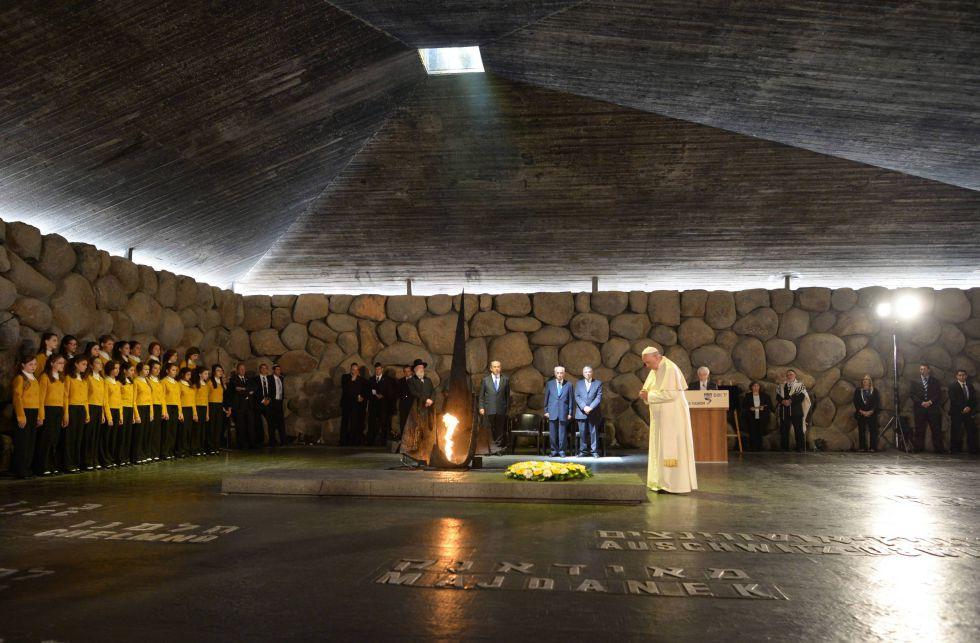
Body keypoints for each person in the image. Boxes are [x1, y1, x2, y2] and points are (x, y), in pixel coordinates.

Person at [639, 347, 697, 494]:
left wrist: (649, 396)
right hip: (661, 417)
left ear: (657, 357)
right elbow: (651, 389)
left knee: (672, 448)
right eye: (645, 363)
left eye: (648, 362)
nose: (647, 366)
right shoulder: (656, 368)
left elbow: (671, 394)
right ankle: (661, 482)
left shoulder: (669, 369)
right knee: (660, 447)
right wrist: (646, 394)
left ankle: (674, 484)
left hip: (672, 416)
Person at [399, 359, 436, 465]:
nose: (421, 369)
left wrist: (431, 400)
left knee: (428, 430)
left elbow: (433, 391)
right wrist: (426, 400)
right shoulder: (411, 381)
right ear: (415, 370)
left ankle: (428, 454)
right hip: (418, 408)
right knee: (417, 430)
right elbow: (414, 392)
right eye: (419, 368)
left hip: (428, 408)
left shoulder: (428, 380)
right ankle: (415, 455)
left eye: (422, 367)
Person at [36, 354, 68, 476]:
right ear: (51, 363)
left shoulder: (61, 378)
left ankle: (52, 465)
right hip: (48, 410)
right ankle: (42, 467)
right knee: (46, 439)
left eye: (63, 363)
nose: (62, 365)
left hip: (58, 411)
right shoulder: (45, 377)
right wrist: (41, 416)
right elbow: (41, 398)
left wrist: (65, 414)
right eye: (59, 363)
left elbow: (64, 398)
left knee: (55, 439)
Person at [11, 354, 41, 479]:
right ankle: (20, 470)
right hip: (24, 412)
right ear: (23, 365)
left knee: (30, 442)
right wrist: (21, 416)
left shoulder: (34, 379)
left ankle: (27, 469)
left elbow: (38, 399)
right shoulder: (20, 378)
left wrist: (39, 415)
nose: (33, 367)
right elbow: (17, 398)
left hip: (33, 412)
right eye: (30, 364)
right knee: (22, 443)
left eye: (35, 364)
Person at [62, 356, 90, 473]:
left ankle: (76, 463)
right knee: (70, 437)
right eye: (83, 364)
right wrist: (66, 413)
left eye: (86, 365)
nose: (85, 367)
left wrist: (87, 413)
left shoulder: (84, 380)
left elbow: (86, 399)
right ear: (76, 364)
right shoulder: (68, 378)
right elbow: (65, 396)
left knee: (79, 438)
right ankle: (68, 464)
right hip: (72, 409)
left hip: (81, 409)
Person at [910, 363, 943, 453]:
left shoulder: (935, 381)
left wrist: (930, 402)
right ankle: (918, 448)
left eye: (924, 369)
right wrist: (921, 402)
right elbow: (912, 394)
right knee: (919, 429)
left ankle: (939, 449)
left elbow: (938, 394)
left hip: (933, 409)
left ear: (928, 370)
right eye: (921, 369)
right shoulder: (914, 381)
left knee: (936, 429)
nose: (922, 371)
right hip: (920, 409)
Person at [478, 360, 510, 453]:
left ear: (501, 368)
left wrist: (506, 408)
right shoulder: (485, 380)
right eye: (495, 367)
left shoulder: (505, 380)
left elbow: (507, 396)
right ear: (491, 368)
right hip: (488, 409)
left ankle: (498, 449)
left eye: (498, 367)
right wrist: (481, 407)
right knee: (488, 429)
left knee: (499, 429)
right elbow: (481, 396)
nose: (497, 369)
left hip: (501, 409)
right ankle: (488, 449)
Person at [543, 365, 574, 457]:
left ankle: (562, 451)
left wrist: (570, 412)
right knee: (552, 433)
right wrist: (546, 411)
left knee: (562, 433)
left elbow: (571, 400)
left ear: (564, 374)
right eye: (558, 373)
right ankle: (553, 450)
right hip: (552, 412)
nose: (559, 374)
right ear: (555, 373)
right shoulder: (549, 384)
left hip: (564, 412)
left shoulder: (569, 384)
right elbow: (546, 398)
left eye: (561, 373)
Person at [776, 369, 810, 452]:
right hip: (784, 411)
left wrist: (790, 401)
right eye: (787, 375)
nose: (789, 376)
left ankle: (800, 448)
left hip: (796, 411)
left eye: (791, 374)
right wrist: (783, 401)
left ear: (795, 376)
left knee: (798, 430)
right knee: (784, 430)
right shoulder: (781, 386)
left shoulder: (800, 385)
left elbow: (802, 396)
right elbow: (778, 396)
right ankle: (784, 448)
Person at [573, 365, 603, 458]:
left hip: (593, 412)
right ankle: (583, 451)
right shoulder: (579, 383)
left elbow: (598, 397)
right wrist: (584, 407)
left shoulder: (598, 383)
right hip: (581, 412)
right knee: (582, 433)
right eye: (586, 372)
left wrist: (590, 407)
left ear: (592, 373)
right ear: (583, 373)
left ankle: (594, 451)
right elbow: (577, 396)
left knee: (593, 432)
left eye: (589, 372)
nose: (588, 373)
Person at [84, 357, 107, 470]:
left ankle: (94, 459)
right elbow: (85, 396)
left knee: (97, 435)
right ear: (91, 365)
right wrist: (87, 412)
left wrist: (102, 413)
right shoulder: (88, 378)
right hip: (90, 408)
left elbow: (102, 398)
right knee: (89, 435)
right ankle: (87, 460)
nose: (100, 365)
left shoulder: (102, 380)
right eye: (97, 363)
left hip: (98, 409)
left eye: (101, 363)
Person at [948, 369, 978, 455]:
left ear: (966, 376)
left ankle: (973, 449)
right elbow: (953, 399)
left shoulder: (970, 386)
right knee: (955, 431)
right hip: (957, 412)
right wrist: (963, 407)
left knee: (971, 431)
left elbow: (973, 399)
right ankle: (954, 449)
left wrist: (969, 407)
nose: (962, 377)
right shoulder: (952, 386)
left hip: (969, 412)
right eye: (960, 375)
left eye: (963, 375)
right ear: (957, 376)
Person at [227, 363, 256, 449]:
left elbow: (254, 388)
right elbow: (236, 390)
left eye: (244, 369)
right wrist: (248, 390)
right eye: (241, 369)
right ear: (237, 370)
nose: (243, 370)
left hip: (249, 405)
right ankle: (241, 444)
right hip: (239, 406)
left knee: (250, 425)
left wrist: (243, 389)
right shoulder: (233, 379)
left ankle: (251, 443)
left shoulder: (248, 379)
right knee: (240, 426)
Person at [366, 363, 394, 447]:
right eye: (376, 369)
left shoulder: (387, 380)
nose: (377, 371)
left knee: (384, 424)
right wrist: (374, 395)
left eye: (379, 369)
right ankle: (371, 441)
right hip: (373, 405)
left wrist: (383, 395)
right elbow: (368, 391)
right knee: (372, 424)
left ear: (382, 369)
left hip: (383, 406)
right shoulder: (371, 379)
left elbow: (390, 392)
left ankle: (383, 442)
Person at [101, 360, 123, 468]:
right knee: (107, 437)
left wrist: (121, 416)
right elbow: (105, 401)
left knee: (114, 437)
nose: (117, 370)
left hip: (117, 411)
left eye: (118, 368)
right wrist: (109, 417)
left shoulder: (118, 383)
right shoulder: (106, 382)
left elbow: (120, 401)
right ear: (110, 369)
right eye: (115, 368)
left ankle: (112, 458)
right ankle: (105, 460)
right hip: (109, 411)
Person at [118, 362, 141, 466]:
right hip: (122, 409)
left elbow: (133, 400)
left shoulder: (131, 383)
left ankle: (126, 458)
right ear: (124, 370)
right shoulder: (119, 382)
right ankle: (120, 458)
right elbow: (119, 399)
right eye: (131, 370)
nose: (133, 372)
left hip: (130, 409)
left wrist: (133, 415)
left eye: (133, 370)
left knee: (128, 435)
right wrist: (121, 414)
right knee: (122, 435)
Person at [340, 363, 367, 446]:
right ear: (350, 369)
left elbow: (365, 390)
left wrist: (362, 397)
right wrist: (352, 380)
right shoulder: (345, 377)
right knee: (345, 422)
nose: (354, 371)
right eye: (353, 369)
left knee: (354, 423)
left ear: (358, 370)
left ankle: (353, 441)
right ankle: (343, 441)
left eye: (356, 370)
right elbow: (345, 388)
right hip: (346, 404)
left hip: (356, 405)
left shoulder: (361, 379)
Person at [853, 375, 881, 452]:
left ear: (870, 381)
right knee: (861, 431)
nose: (865, 380)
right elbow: (855, 402)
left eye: (867, 379)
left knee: (873, 431)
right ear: (862, 381)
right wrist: (861, 411)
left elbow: (876, 402)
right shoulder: (858, 391)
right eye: (864, 379)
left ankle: (873, 447)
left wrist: (871, 411)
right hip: (861, 413)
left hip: (872, 413)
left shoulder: (874, 391)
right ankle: (862, 447)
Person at [741, 381, 772, 451]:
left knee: (760, 431)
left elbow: (769, 405)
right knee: (752, 431)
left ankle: (760, 447)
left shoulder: (765, 395)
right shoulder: (748, 395)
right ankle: (752, 447)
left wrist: (763, 408)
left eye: (757, 386)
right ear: (751, 387)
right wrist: (750, 408)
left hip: (762, 416)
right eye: (754, 386)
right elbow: (744, 406)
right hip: (751, 416)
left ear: (760, 387)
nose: (756, 387)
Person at [161, 363, 182, 459]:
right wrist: (165, 411)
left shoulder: (177, 383)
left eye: (176, 370)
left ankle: (170, 452)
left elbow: (178, 399)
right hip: (168, 407)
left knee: (173, 431)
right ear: (167, 371)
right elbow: (162, 398)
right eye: (173, 370)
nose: (175, 372)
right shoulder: (163, 382)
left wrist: (180, 412)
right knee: (167, 431)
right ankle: (164, 453)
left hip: (175, 408)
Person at [134, 362, 154, 463]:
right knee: (139, 433)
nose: (147, 371)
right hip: (140, 408)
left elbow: (150, 398)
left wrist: (151, 412)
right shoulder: (136, 381)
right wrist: (136, 414)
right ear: (140, 370)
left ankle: (145, 454)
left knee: (146, 432)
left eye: (148, 369)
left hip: (147, 408)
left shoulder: (147, 381)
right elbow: (134, 400)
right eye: (145, 369)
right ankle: (137, 456)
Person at [177, 367, 198, 457]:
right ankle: (180, 451)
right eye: (188, 374)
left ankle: (187, 450)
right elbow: (178, 399)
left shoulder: (190, 385)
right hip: (183, 409)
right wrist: (180, 412)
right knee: (183, 431)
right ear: (182, 374)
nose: (189, 376)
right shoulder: (179, 384)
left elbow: (193, 400)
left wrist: (195, 413)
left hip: (190, 409)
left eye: (190, 375)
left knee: (189, 431)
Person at [253, 363, 274, 446]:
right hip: (259, 403)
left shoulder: (270, 379)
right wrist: (262, 400)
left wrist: (269, 399)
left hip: (268, 403)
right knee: (258, 423)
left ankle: (272, 441)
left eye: (265, 368)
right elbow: (255, 392)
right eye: (262, 368)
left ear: (267, 370)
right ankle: (260, 441)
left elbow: (272, 391)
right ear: (260, 369)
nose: (264, 369)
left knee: (271, 422)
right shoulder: (255, 379)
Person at [147, 361, 165, 460]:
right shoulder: (147, 380)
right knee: (150, 430)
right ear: (150, 369)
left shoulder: (159, 382)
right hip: (151, 406)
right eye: (155, 368)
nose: (157, 370)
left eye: (159, 369)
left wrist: (164, 411)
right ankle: (148, 453)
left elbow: (162, 398)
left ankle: (155, 453)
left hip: (159, 407)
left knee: (157, 432)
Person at [209, 365, 229, 452]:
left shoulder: (221, 383)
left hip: (219, 406)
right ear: (214, 372)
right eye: (218, 370)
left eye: (221, 370)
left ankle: (216, 446)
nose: (220, 372)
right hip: (212, 405)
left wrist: (224, 409)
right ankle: (210, 447)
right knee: (212, 427)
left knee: (218, 427)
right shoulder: (210, 382)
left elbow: (222, 397)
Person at [194, 368, 211, 455]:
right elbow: (193, 399)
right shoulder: (195, 385)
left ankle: (201, 448)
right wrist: (195, 413)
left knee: (202, 429)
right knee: (197, 429)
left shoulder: (206, 385)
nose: (207, 375)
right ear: (200, 374)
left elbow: (206, 400)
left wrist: (207, 414)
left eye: (207, 374)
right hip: (197, 407)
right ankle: (195, 449)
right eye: (205, 373)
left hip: (204, 408)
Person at [269, 364, 287, 447]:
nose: (279, 371)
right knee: (272, 423)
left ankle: (283, 441)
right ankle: (272, 441)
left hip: (279, 403)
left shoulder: (281, 378)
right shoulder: (270, 378)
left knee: (281, 422)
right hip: (272, 403)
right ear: (273, 371)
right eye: (277, 369)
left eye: (279, 369)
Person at [396, 365, 414, 440]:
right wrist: (403, 396)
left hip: (413, 405)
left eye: (408, 371)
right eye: (405, 371)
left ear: (411, 372)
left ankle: (412, 439)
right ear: (404, 372)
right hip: (403, 405)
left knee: (413, 422)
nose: (407, 373)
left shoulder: (415, 380)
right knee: (403, 422)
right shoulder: (400, 381)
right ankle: (403, 439)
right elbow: (397, 393)